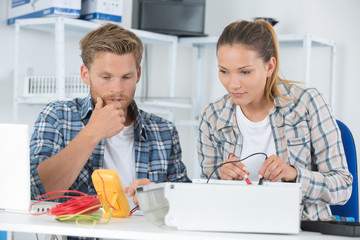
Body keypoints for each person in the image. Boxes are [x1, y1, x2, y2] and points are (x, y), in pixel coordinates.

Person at [197, 19, 352, 220]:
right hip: (236, 227)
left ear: (269, 66)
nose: (233, 84)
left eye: (245, 72)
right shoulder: (212, 116)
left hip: (301, 229)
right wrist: (221, 179)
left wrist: (294, 175)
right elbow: (205, 195)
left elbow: (342, 186)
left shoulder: (307, 103)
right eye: (224, 71)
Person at [30, 23, 191, 211]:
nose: (117, 88)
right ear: (85, 74)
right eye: (106, 77)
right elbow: (37, 192)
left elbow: (186, 204)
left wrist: (159, 197)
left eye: (126, 77)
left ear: (138, 74)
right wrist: (92, 133)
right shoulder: (57, 117)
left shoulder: (164, 130)